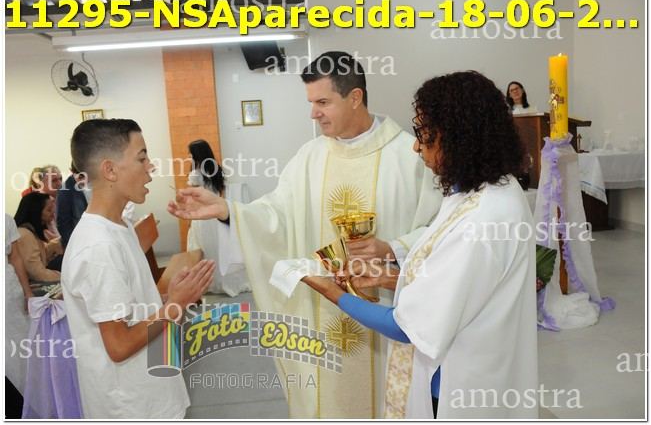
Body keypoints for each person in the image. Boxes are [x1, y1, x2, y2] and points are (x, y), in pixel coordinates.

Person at [168, 51, 443, 418]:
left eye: (323, 102)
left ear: (355, 97)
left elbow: (441, 229)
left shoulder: (409, 156)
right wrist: (228, 211)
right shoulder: (309, 158)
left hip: (388, 317)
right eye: (311, 103)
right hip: (323, 316)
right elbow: (275, 216)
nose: (313, 113)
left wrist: (392, 248)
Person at [302, 71, 538, 419]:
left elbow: (406, 327)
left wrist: (332, 292)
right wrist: (389, 279)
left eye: (424, 134)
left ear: (458, 136)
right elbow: (460, 284)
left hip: (462, 387)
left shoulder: (483, 218)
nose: (416, 146)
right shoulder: (485, 192)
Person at [61, 118, 216, 419]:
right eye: (142, 158)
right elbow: (119, 345)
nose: (151, 167)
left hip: (150, 390)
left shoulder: (119, 226)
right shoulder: (98, 246)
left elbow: (131, 307)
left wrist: (169, 296)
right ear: (110, 170)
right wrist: (174, 305)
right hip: (130, 406)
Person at [186, 139, 251, 297]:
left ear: (197, 155)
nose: (188, 156)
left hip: (202, 217)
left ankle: (208, 281)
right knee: (218, 248)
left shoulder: (195, 174)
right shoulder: (216, 170)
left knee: (204, 249)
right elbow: (220, 193)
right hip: (215, 215)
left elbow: (193, 197)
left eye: (190, 153)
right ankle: (225, 280)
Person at [5, 213, 33, 410]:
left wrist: (28, 292)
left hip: (9, 293)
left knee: (18, 348)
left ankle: (26, 399)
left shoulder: (5, 219)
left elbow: (16, 257)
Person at [14, 192, 63, 289]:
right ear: (36, 211)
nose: (53, 214)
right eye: (49, 210)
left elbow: (39, 258)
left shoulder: (31, 232)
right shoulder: (25, 235)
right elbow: (37, 273)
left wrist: (55, 245)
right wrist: (65, 277)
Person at [56, 162, 89, 248]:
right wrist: (74, 245)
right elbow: (63, 223)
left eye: (87, 176)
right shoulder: (65, 191)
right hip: (79, 243)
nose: (85, 180)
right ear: (71, 171)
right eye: (81, 177)